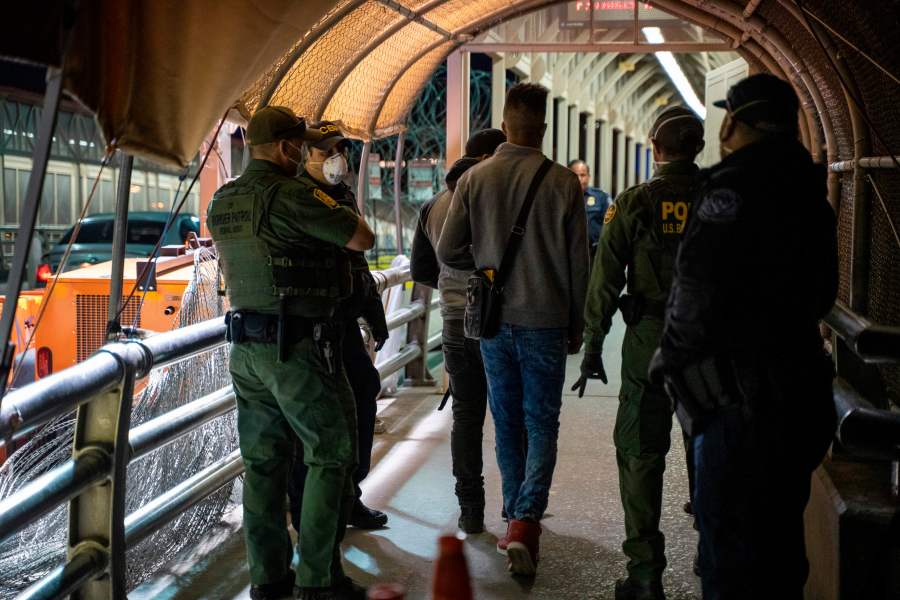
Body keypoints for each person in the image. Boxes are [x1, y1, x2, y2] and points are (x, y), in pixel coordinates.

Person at [649, 73, 838, 600]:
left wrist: (673, 361)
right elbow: (823, 293)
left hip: (740, 401)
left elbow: (696, 286)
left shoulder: (729, 188)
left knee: (729, 554)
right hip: (802, 391)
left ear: (733, 122)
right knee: (779, 547)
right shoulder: (810, 191)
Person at [207, 106, 374, 600]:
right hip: (297, 348)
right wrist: (325, 196)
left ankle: (269, 578)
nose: (304, 152)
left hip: (245, 351)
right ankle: (318, 580)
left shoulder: (223, 201)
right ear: (286, 149)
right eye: (300, 146)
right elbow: (361, 237)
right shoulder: (292, 196)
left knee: (264, 464)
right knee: (331, 453)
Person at [437, 83, 589, 577]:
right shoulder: (565, 183)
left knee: (505, 419)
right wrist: (576, 322)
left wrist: (485, 268)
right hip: (545, 319)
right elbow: (579, 264)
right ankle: (526, 519)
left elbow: (446, 251)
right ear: (543, 128)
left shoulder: (476, 178)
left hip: (493, 322)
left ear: (504, 126)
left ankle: (512, 515)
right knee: (542, 421)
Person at [572, 105, 705, 600]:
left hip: (649, 340)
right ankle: (711, 559)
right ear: (698, 147)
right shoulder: (720, 199)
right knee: (708, 445)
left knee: (640, 451)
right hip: (707, 345)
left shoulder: (633, 203)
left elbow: (604, 282)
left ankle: (646, 574)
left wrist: (591, 349)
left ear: (655, 148)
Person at [288, 121, 390, 533]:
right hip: (308, 323)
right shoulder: (294, 197)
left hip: (342, 319)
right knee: (309, 420)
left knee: (364, 390)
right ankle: (304, 505)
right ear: (302, 156)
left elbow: (357, 262)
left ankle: (351, 493)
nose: (336, 159)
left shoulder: (341, 193)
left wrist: (374, 314)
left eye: (339, 149)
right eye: (326, 151)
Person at [409, 127, 506, 534]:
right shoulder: (496, 199)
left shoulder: (433, 204)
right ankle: (517, 508)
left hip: (453, 320)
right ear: (489, 157)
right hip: (500, 320)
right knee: (509, 414)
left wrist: (452, 284)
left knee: (467, 415)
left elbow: (420, 271)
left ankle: (470, 507)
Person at [567, 159, 610, 261]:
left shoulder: (601, 197)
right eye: (575, 175)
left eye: (583, 175)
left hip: (595, 255)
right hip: (569, 254)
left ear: (589, 177)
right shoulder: (561, 198)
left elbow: (609, 228)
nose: (579, 179)